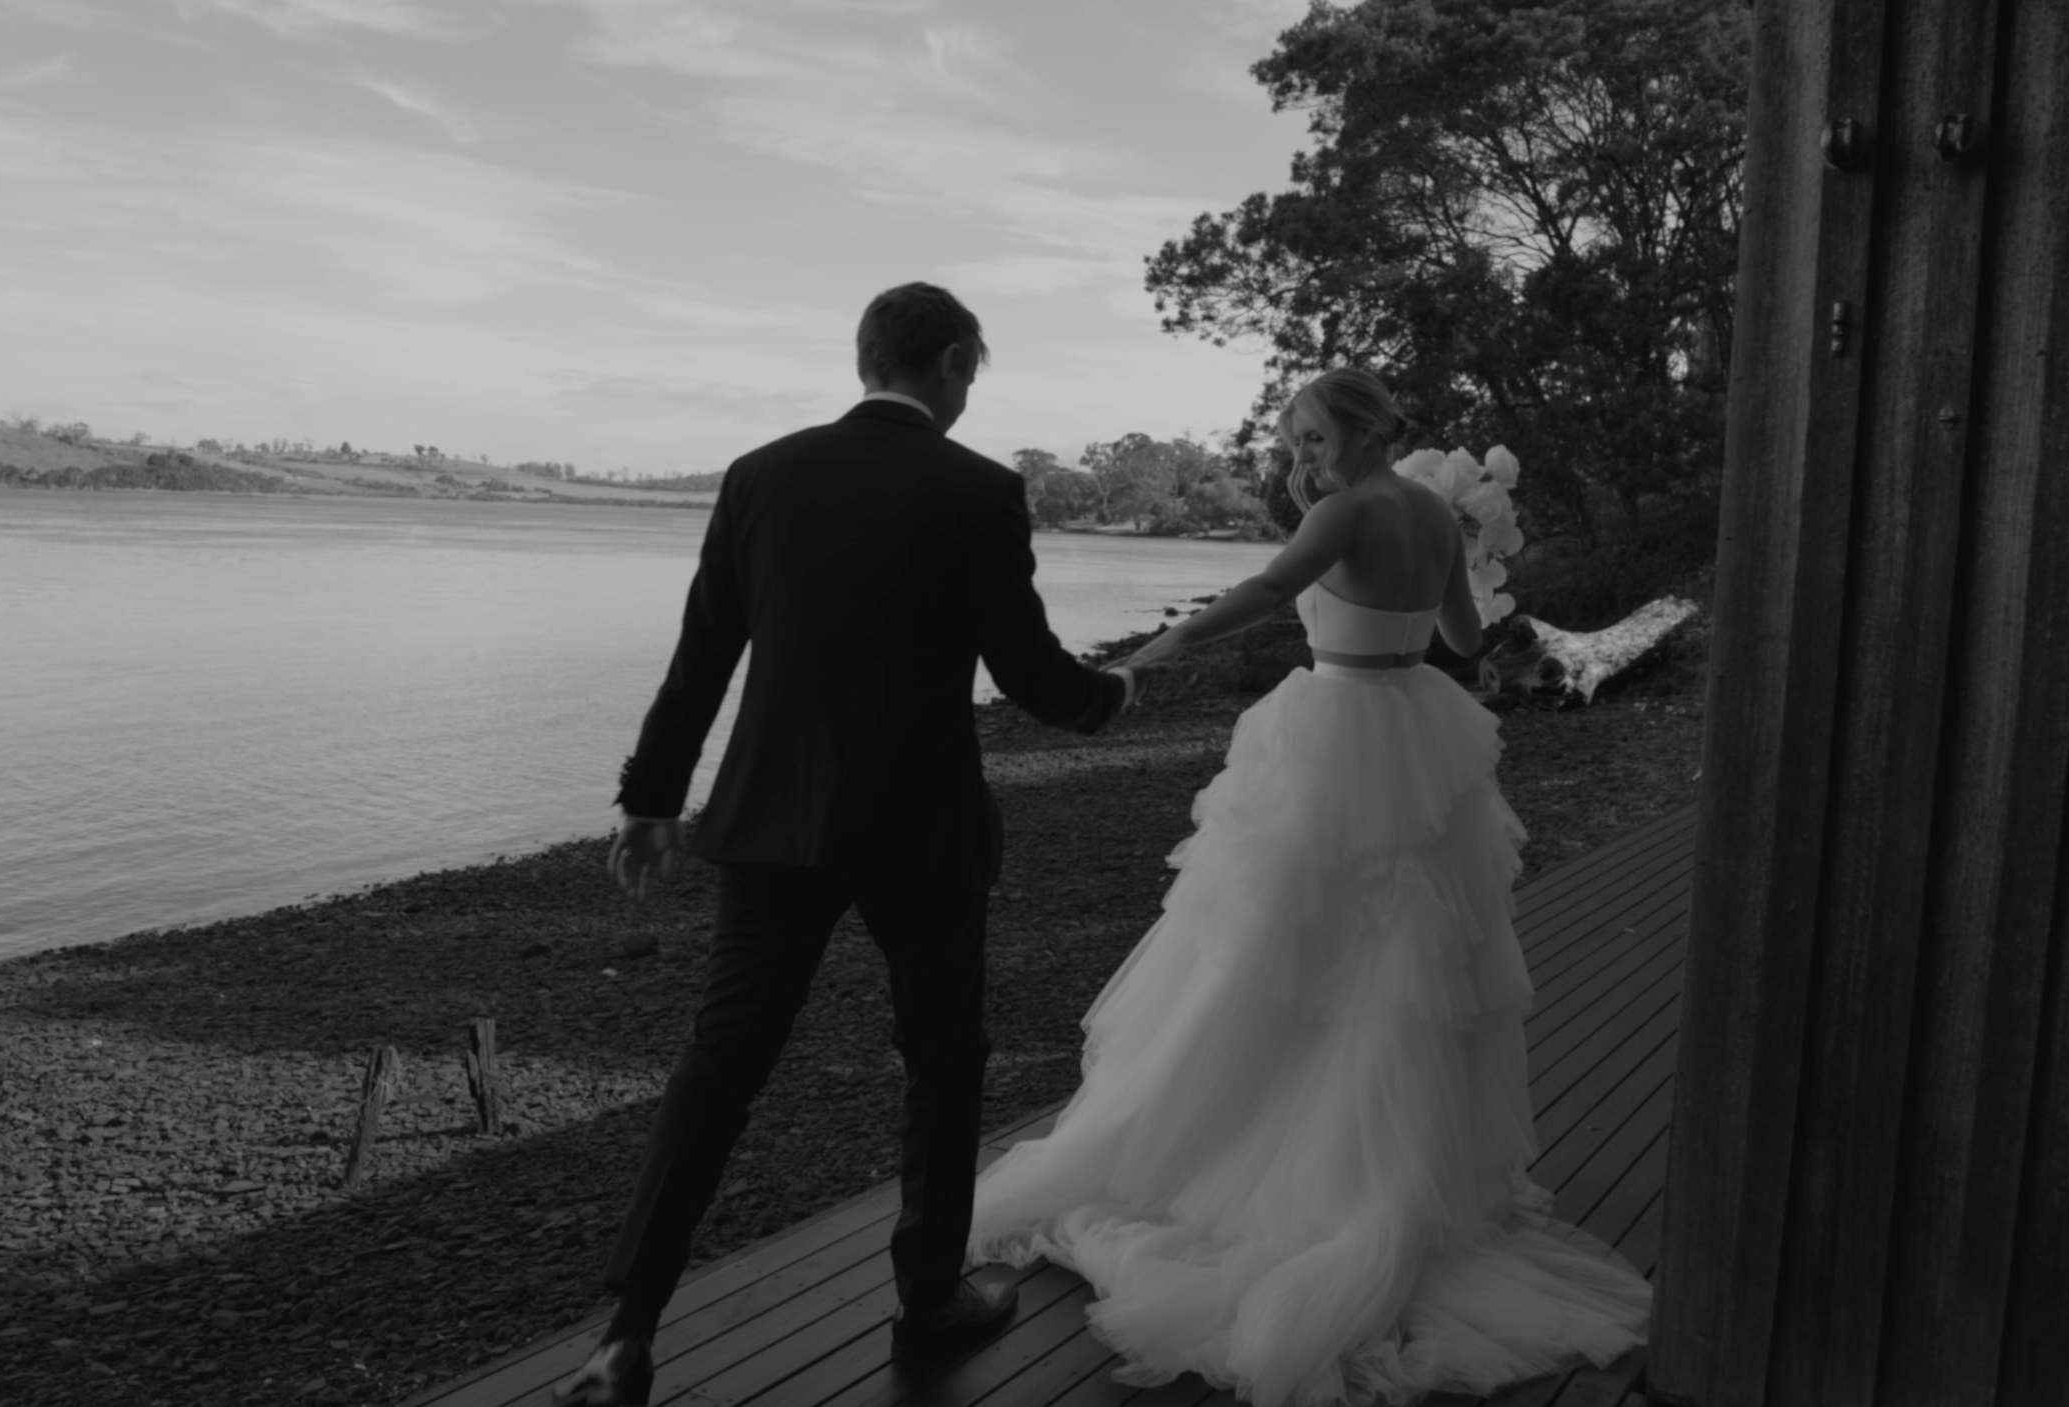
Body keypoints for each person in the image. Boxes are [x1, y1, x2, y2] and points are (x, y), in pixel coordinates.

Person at [963, 368, 1652, 1407]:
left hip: (1333, 738)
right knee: (1398, 960)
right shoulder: (1432, 512)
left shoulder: (1348, 508)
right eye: (1296, 440)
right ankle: (1384, 1167)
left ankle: (1271, 1164)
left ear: (1366, 431)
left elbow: (1266, 592)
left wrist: (1166, 645)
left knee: (1272, 947)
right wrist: (1433, 569)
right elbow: (1464, 642)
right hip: (1415, 730)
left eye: (1314, 437)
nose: (1303, 456)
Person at [552, 283, 1144, 1406]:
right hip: (921, 828)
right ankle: (928, 1300)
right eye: (974, 370)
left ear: (867, 358)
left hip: (772, 822)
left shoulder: (760, 474)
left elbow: (702, 657)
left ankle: (626, 1332)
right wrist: (1108, 695)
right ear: (954, 361)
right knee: (942, 1061)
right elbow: (1029, 673)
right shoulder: (978, 489)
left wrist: (649, 801)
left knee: (721, 1065)